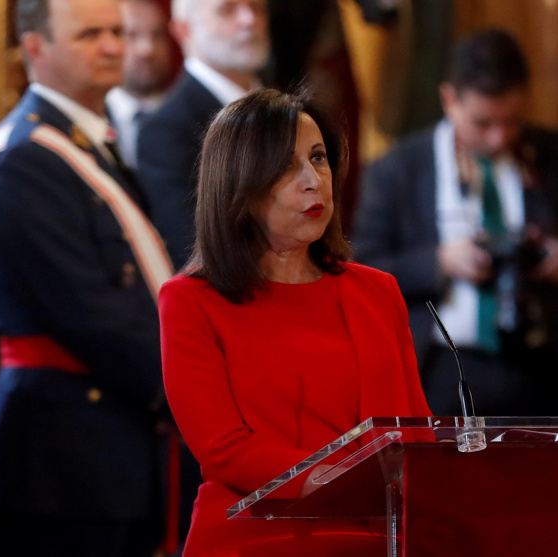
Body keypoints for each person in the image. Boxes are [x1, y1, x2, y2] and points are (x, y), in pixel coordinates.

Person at [159, 88, 431, 555]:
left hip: (373, 539)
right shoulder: (190, 301)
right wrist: (344, 481)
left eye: (318, 158)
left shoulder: (377, 290)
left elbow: (417, 434)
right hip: (253, 539)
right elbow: (224, 449)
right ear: (239, 187)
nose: (313, 180)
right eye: (287, 166)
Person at [0, 0, 173, 554]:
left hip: (110, 448)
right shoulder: (24, 158)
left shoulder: (87, 144)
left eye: (116, 31)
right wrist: (188, 386)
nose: (113, 46)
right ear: (36, 47)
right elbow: (90, 314)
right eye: (89, 35)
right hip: (62, 461)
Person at [353, 29, 558, 417]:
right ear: (450, 99)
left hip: (541, 364)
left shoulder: (548, 155)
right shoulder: (397, 170)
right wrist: (440, 261)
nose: (499, 138)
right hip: (443, 368)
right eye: (483, 123)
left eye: (512, 121)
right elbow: (360, 271)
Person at [137, 0, 269, 269]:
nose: (249, 20)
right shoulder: (166, 131)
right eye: (227, 9)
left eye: (257, 7)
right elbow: (194, 249)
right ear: (184, 29)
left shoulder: (291, 107)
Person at [104, 0, 174, 169]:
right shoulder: (94, 117)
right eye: (131, 35)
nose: (147, 49)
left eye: (157, 35)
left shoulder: (190, 116)